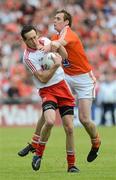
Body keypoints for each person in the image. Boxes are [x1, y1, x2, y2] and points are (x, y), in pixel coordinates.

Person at [18, 10, 101, 163]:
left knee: (84, 119)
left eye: (58, 18)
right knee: (47, 112)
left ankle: (96, 143)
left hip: (82, 78)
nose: (54, 20)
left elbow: (61, 44)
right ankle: (34, 143)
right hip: (65, 77)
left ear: (66, 22)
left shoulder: (66, 34)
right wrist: (50, 46)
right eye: (54, 18)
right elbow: (55, 52)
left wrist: (51, 46)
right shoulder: (51, 38)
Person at [20, 25, 79, 173]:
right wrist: (55, 66)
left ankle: (71, 165)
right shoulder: (28, 57)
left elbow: (64, 56)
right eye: (30, 39)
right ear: (24, 41)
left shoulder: (46, 41)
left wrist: (56, 45)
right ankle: (38, 154)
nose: (34, 41)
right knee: (50, 121)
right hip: (47, 90)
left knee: (70, 128)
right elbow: (42, 78)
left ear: (37, 34)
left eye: (35, 37)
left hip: (63, 87)